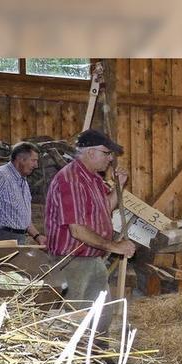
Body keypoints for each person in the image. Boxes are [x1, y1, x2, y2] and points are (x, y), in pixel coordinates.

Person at [45, 129, 136, 339]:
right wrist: (114, 246)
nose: (110, 158)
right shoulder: (70, 179)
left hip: (92, 258)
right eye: (107, 153)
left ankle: (97, 354)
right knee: (75, 317)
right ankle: (75, 361)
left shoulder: (93, 179)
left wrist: (119, 187)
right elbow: (76, 229)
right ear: (90, 152)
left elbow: (105, 208)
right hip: (72, 262)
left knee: (102, 312)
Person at [0, 142, 47, 245]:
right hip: (0, 237)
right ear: (21, 159)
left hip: (18, 237)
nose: (36, 165)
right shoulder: (0, 175)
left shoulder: (22, 180)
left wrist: (37, 236)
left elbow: (22, 216)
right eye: (33, 160)